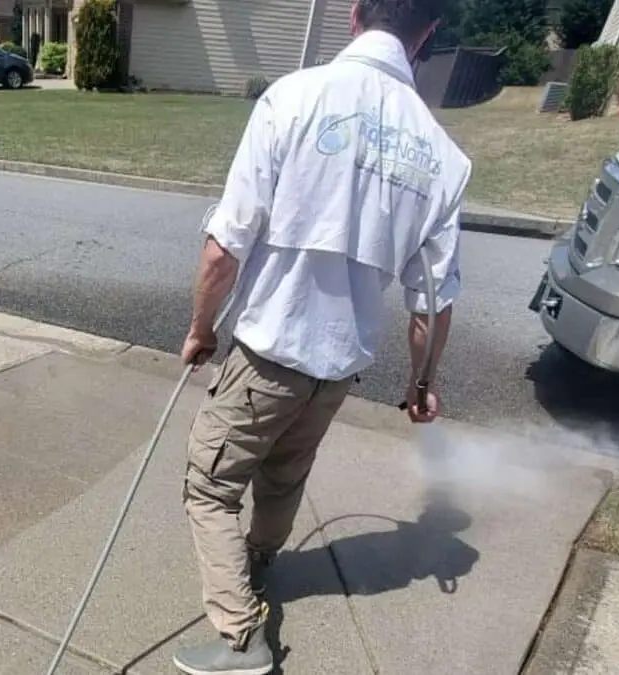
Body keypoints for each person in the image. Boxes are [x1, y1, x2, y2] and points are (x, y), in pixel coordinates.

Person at [171, 0, 472, 673]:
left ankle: (240, 634)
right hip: (337, 369)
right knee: (285, 473)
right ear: (427, 35)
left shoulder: (295, 98)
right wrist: (422, 386)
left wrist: (199, 330)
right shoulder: (443, 158)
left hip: (270, 351)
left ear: (355, 16)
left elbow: (225, 249)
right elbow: (432, 302)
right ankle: (257, 563)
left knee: (210, 485)